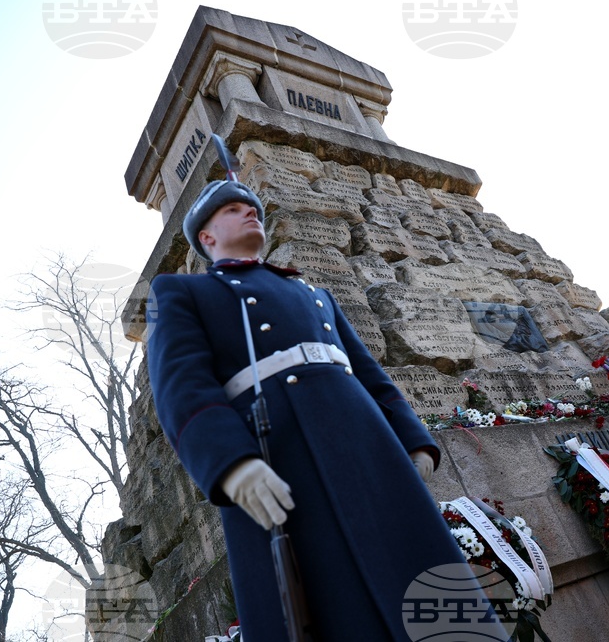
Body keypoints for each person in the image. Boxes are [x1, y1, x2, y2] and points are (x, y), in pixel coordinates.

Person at [145, 178, 505, 641]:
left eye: (251, 205)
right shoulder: (181, 292)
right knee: (331, 604)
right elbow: (182, 386)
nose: (250, 210)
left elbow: (370, 375)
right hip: (280, 461)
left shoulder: (316, 295)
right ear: (207, 237)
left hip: (371, 450)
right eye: (233, 209)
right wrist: (232, 464)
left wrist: (413, 440)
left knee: (425, 584)